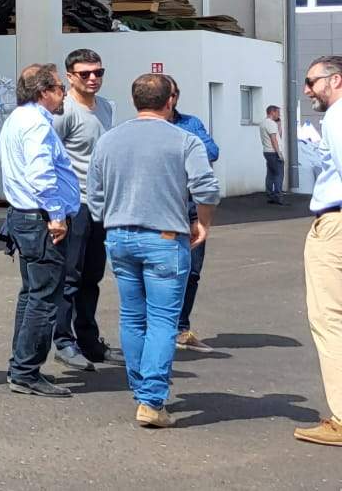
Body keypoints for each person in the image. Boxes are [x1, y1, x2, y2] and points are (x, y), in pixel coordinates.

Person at [85, 73, 219, 428]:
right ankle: (151, 399)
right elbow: (206, 189)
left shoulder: (109, 140)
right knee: (163, 320)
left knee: (132, 316)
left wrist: (107, 217)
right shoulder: (185, 140)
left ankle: (141, 387)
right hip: (164, 237)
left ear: (135, 101)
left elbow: (94, 192)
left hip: (119, 235)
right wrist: (202, 223)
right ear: (170, 100)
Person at [0, 62, 78, 398]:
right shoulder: (37, 125)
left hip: (25, 217)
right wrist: (56, 214)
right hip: (41, 219)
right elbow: (41, 173)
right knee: (45, 298)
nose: (64, 94)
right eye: (60, 88)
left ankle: (20, 364)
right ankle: (26, 371)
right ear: (43, 92)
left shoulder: (18, 119)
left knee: (32, 294)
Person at [51, 49, 116, 371]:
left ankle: (90, 342)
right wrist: (55, 210)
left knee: (92, 276)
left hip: (100, 205)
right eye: (85, 73)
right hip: (73, 205)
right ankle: (63, 340)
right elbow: (50, 157)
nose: (93, 78)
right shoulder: (64, 112)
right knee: (69, 277)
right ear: (70, 76)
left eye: (98, 72)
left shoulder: (106, 108)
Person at [296, 56, 342, 446]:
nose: (308, 89)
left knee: (329, 319)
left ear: (335, 80)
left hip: (336, 224)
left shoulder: (337, 117)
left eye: (312, 82)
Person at [167, 79, 220, 352]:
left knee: (191, 270)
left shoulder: (191, 123)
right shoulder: (146, 126)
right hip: (162, 206)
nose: (170, 99)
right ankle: (158, 328)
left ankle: (181, 328)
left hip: (189, 206)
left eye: (173, 94)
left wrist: (182, 143)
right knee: (159, 269)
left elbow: (212, 151)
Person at [264, 105, 286, 205]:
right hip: (274, 152)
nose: (279, 115)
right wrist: (279, 153)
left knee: (270, 174)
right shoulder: (271, 124)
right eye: (277, 112)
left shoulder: (264, 123)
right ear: (272, 112)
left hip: (267, 151)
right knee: (279, 174)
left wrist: (279, 125)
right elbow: (274, 139)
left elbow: (278, 136)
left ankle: (270, 195)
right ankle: (278, 196)